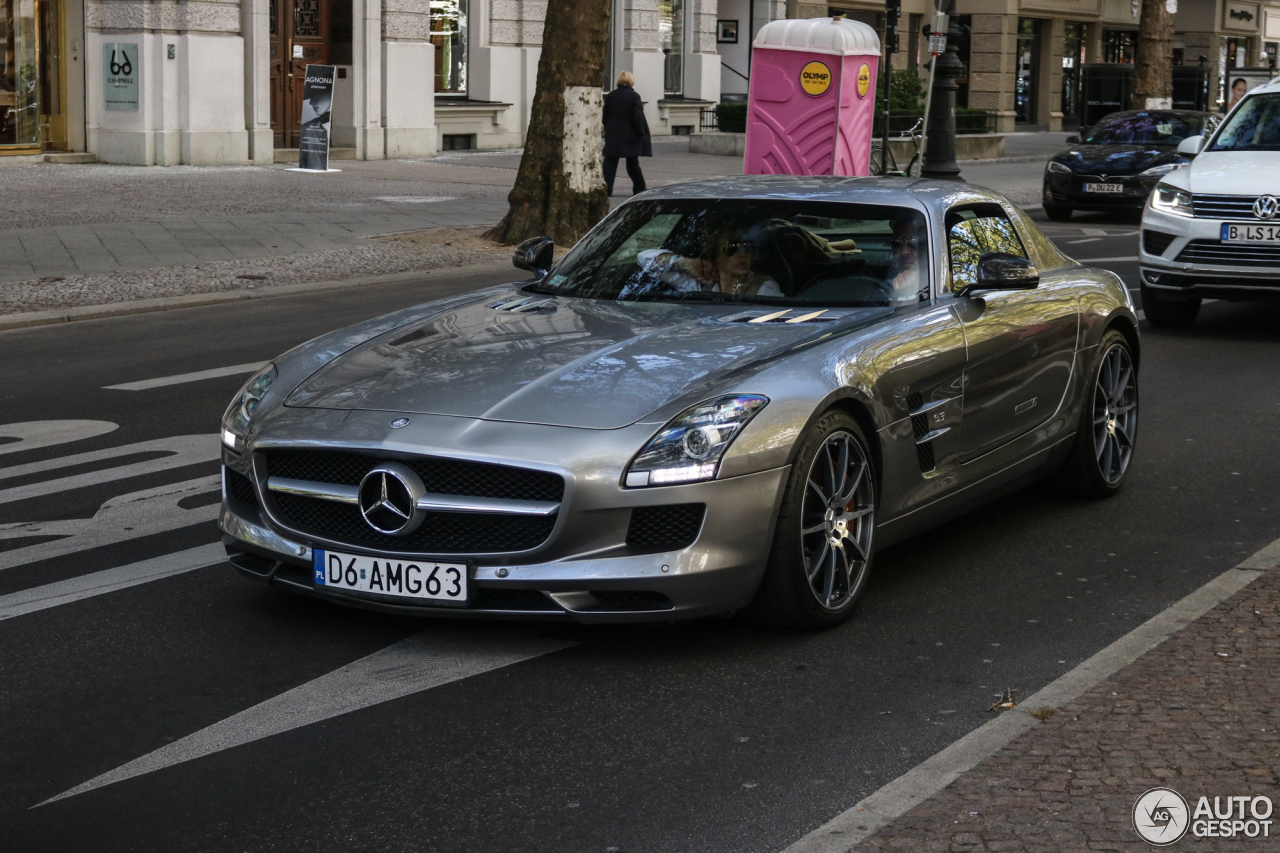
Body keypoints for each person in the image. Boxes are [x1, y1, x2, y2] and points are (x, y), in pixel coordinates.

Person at [632, 230, 783, 298]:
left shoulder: (765, 287)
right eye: (732, 249)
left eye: (748, 248)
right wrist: (684, 262)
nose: (742, 254)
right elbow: (644, 258)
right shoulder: (700, 283)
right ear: (716, 256)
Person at [602, 71, 651, 196]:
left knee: (610, 163)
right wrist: (641, 132)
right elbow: (637, 117)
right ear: (631, 81)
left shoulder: (611, 96)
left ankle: (606, 189)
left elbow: (605, 116)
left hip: (613, 134)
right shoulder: (634, 96)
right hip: (630, 136)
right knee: (633, 163)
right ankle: (639, 188)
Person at [886, 218, 925, 303]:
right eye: (897, 244)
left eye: (913, 243)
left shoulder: (938, 283)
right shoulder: (884, 284)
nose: (904, 251)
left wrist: (906, 296)